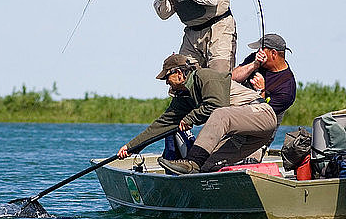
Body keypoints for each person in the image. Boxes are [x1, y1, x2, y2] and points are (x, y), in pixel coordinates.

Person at [117, 54, 277, 174]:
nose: (166, 82)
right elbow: (163, 124)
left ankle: (191, 162)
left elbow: (217, 104)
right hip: (243, 135)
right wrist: (132, 147)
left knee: (220, 115)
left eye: (167, 77)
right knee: (206, 165)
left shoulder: (205, 76)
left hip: (261, 115)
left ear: (179, 73)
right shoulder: (183, 97)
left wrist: (190, 118)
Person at [232, 33, 296, 126]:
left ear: (273, 53)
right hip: (237, 111)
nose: (258, 52)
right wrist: (254, 65)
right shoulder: (256, 58)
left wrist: (261, 90)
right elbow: (232, 78)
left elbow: (261, 117)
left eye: (261, 49)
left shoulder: (286, 89)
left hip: (259, 129)